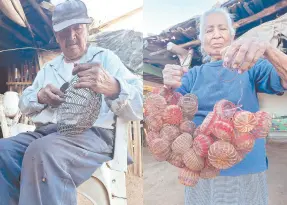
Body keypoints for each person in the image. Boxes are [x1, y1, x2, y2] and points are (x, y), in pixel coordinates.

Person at [0, 0, 143, 205]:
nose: (72, 37)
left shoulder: (106, 59)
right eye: (64, 32)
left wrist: (112, 86)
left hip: (94, 134)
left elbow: (139, 102)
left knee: (42, 153)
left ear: (87, 28)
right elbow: (24, 103)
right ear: (57, 36)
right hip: (49, 133)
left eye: (77, 28)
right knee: (3, 151)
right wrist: (40, 96)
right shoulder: (50, 69)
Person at [163, 7, 287, 205]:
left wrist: (268, 49)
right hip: (201, 166)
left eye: (222, 28)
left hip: (247, 167)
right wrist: (168, 86)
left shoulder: (252, 65)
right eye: (209, 30)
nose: (216, 35)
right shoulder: (193, 75)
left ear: (232, 33)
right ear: (201, 38)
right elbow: (173, 113)